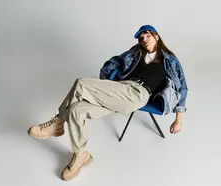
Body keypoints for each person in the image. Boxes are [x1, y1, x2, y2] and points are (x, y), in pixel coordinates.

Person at [26, 25, 188, 181]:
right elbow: (116, 62)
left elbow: (182, 87)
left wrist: (178, 120)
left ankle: (58, 122)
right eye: (141, 37)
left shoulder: (170, 60)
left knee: (81, 84)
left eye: (147, 35)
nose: (144, 39)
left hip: (138, 94)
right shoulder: (137, 53)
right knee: (76, 110)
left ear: (156, 37)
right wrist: (108, 78)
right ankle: (81, 155)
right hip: (121, 89)